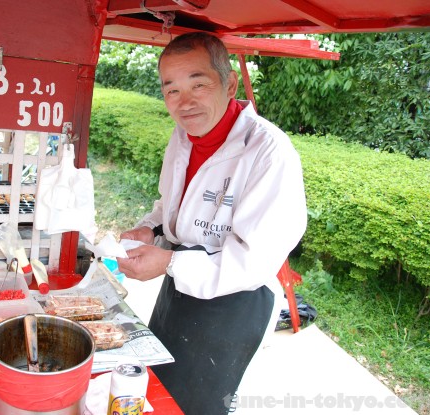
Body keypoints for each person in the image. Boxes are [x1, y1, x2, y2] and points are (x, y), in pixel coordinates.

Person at [116, 32, 307, 415]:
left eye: (198, 85)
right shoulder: (183, 137)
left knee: (197, 406)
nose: (184, 103)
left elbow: (252, 263)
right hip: (178, 292)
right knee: (157, 389)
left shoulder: (268, 152)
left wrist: (168, 262)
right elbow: (170, 201)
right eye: (171, 90)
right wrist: (151, 229)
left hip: (233, 304)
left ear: (230, 83)